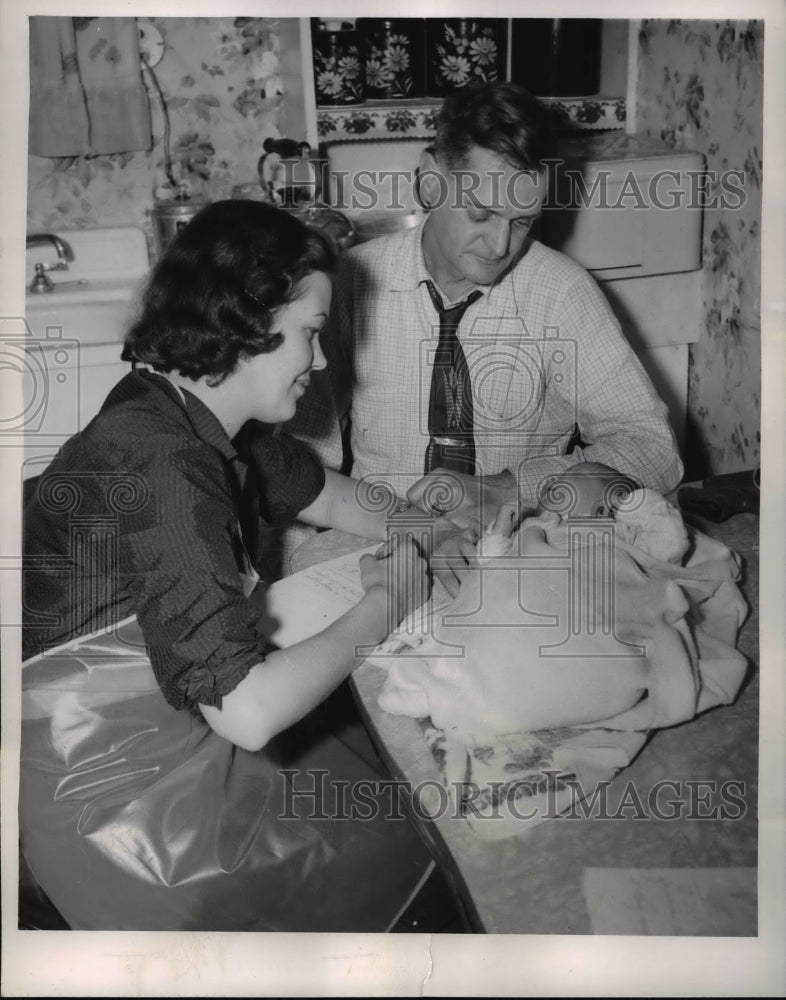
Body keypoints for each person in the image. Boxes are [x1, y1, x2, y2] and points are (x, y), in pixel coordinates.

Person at [20, 200, 465, 932]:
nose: (320, 362)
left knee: (384, 762)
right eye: (311, 336)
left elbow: (330, 493)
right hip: (120, 811)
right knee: (414, 825)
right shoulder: (162, 465)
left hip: (166, 732)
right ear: (249, 324)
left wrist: (432, 525)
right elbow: (250, 714)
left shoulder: (180, 405)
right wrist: (389, 600)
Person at [286, 81, 684, 588]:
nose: (500, 245)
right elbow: (300, 468)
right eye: (482, 214)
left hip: (514, 557)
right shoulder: (348, 285)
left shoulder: (562, 294)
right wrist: (297, 588)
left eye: (523, 222)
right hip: (378, 545)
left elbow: (654, 451)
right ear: (431, 182)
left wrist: (515, 488)